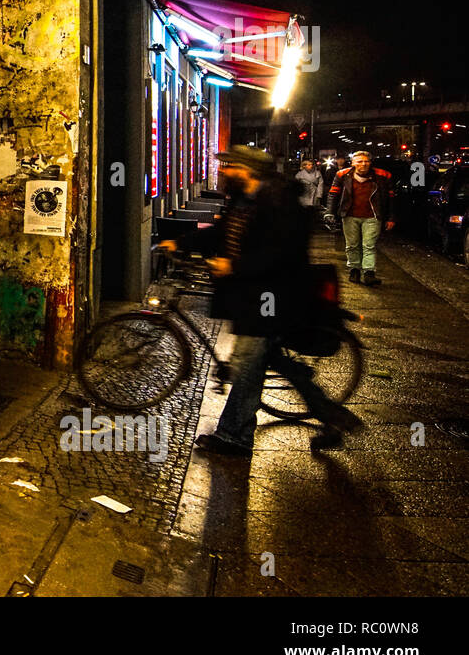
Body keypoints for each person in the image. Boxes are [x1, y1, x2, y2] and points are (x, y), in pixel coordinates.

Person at [159, 145, 363, 455]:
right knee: (273, 363)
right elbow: (221, 232)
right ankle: (335, 418)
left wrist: (234, 266)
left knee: (249, 367)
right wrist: (181, 242)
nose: (224, 171)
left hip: (273, 298)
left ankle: (234, 436)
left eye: (229, 166)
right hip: (253, 297)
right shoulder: (245, 198)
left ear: (248, 170)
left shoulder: (278, 201)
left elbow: (282, 254)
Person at [323, 150, 396, 286]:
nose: (363, 164)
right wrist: (329, 212)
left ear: (370, 162)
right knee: (352, 245)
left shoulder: (383, 175)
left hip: (373, 216)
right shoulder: (342, 175)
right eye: (359, 161)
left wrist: (391, 217)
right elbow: (333, 194)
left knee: (369, 245)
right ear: (353, 163)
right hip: (350, 215)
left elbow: (391, 198)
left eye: (366, 161)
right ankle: (354, 270)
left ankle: (369, 273)